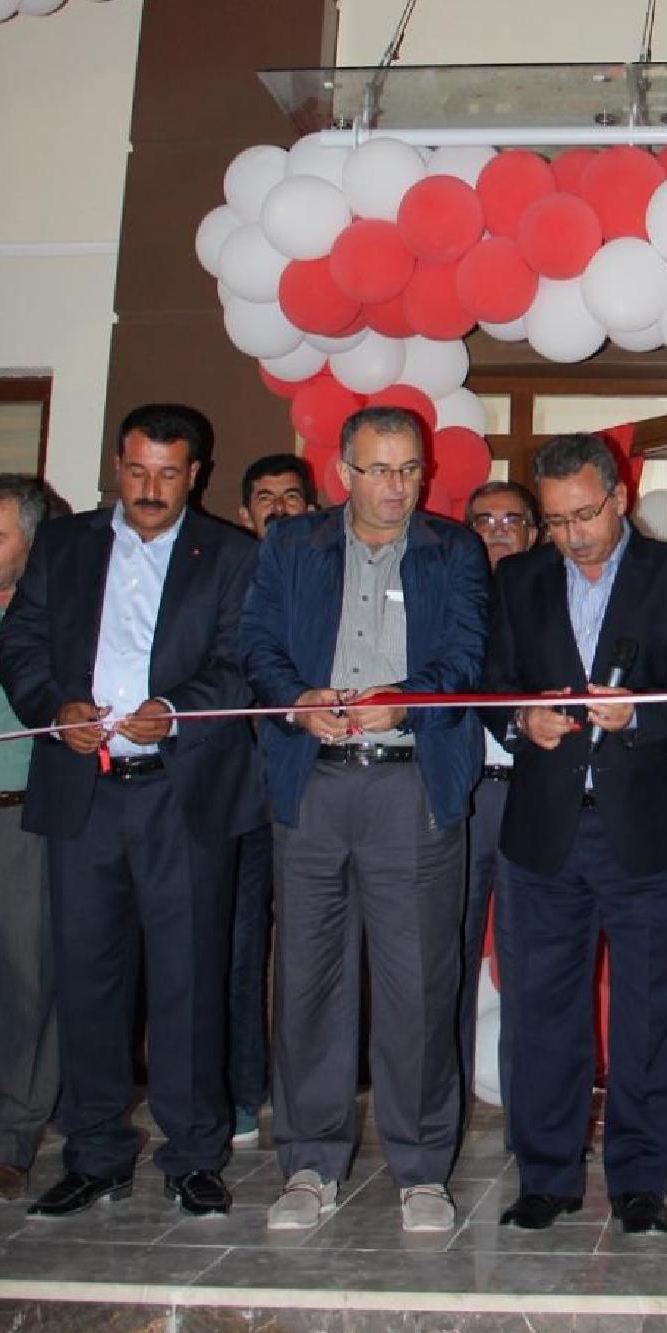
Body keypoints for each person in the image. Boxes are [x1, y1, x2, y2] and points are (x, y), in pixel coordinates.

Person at [0, 404, 261, 1218]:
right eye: (138, 471)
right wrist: (54, 707)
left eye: (168, 474)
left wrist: (175, 710)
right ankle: (96, 1153)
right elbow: (19, 643)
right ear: (118, 466)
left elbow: (244, 661)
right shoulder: (64, 544)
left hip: (181, 794)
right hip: (85, 792)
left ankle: (194, 1154)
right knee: (88, 980)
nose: (150, 489)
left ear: (195, 475)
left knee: (189, 979)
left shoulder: (231, 554)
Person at [242, 405, 487, 1235]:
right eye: (379, 469)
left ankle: (421, 1170)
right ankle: (309, 1163)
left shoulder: (453, 549)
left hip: (408, 786)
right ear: (342, 472)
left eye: (410, 469)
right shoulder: (291, 545)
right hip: (313, 785)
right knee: (308, 980)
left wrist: (407, 700)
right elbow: (257, 646)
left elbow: (467, 656)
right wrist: (296, 700)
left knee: (418, 984)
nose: (396, 486)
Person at [485, 432, 667, 1235]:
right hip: (545, 832)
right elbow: (492, 687)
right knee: (541, 1011)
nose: (573, 536)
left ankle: (640, 1181)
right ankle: (547, 1176)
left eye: (585, 515)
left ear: (619, 497)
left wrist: (640, 715)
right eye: (556, 522)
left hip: (649, 831)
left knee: (651, 1014)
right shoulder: (519, 578)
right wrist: (522, 720)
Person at [0, 474, 60, 1200]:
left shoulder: (62, 613)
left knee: (26, 983)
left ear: (31, 540)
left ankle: (7, 1140)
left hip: (27, 819)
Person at [224, 452, 317, 1150]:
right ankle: (240, 1090)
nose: (279, 508)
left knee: (313, 954)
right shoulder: (224, 574)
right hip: (230, 798)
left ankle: (309, 1091)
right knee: (236, 946)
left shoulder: (324, 576)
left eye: (291, 496)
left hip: (314, 786)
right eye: (265, 498)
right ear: (244, 513)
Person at [460, 478, 539, 1130]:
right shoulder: (449, 602)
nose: (498, 531)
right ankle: (442, 1109)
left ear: (535, 533)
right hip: (462, 798)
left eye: (512, 520)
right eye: (484, 522)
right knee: (446, 955)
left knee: (530, 959)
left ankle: (530, 1110)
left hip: (534, 795)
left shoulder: (554, 601)